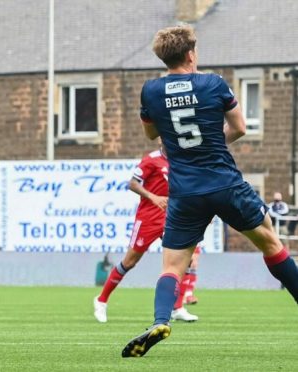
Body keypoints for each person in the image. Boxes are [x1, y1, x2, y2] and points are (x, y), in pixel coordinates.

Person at [122, 25, 298, 358]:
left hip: (184, 191)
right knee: (271, 243)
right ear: (191, 54)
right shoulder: (213, 83)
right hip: (224, 182)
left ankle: (161, 320)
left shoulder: (151, 91)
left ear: (164, 58)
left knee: (172, 267)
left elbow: (150, 136)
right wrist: (213, 142)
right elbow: (241, 127)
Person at [93, 144, 199, 323]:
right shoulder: (151, 160)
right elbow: (132, 184)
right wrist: (153, 197)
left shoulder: (181, 159)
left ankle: (177, 307)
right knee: (130, 261)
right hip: (148, 218)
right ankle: (101, 300)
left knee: (184, 259)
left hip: (170, 218)